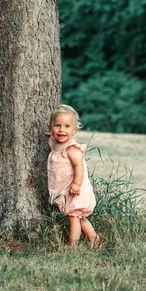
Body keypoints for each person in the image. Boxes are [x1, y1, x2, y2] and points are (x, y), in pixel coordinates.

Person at [47, 104, 100, 247]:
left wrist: (76, 184)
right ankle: (93, 237)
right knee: (78, 215)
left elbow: (79, 167)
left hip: (75, 188)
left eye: (67, 126)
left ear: (74, 130)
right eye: (57, 126)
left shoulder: (72, 149)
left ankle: (73, 245)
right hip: (65, 188)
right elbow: (52, 138)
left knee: (73, 217)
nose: (62, 130)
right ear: (51, 127)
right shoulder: (56, 142)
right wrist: (51, 134)